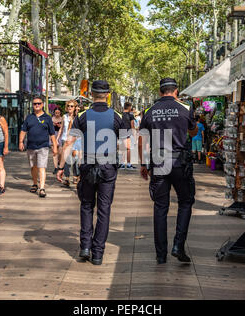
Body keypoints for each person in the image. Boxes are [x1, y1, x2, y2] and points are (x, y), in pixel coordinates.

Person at [57, 80, 125, 266]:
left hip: (87, 164)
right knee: (104, 210)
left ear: (91, 94)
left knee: (86, 205)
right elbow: (127, 144)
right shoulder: (117, 116)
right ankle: (97, 254)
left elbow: (69, 142)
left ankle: (85, 247)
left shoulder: (83, 116)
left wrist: (61, 167)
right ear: (108, 94)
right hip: (108, 165)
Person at [139, 78, 198, 265]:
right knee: (186, 202)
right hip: (180, 163)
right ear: (176, 91)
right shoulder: (186, 109)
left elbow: (141, 140)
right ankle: (178, 246)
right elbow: (193, 132)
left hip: (158, 163)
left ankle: (161, 254)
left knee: (160, 207)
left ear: (160, 92)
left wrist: (143, 164)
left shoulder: (149, 111)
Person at [19, 96, 57, 198]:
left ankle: (42, 188)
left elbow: (52, 133)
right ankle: (35, 183)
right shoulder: (29, 117)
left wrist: (55, 146)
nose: (37, 105)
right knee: (33, 167)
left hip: (43, 146)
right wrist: (20, 142)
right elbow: (23, 131)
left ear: (42, 105)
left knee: (42, 167)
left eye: (39, 103)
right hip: (31, 146)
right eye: (35, 103)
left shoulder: (47, 118)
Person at [57, 100, 76, 187]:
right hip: (64, 139)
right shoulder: (64, 116)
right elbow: (61, 128)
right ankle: (67, 178)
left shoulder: (77, 117)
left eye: (72, 106)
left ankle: (76, 176)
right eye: (68, 106)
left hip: (74, 140)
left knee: (75, 159)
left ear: (75, 107)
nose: (69, 107)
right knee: (65, 159)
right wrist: (57, 138)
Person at [119, 102, 136, 170]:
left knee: (122, 149)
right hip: (128, 132)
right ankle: (128, 164)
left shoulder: (120, 114)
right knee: (128, 149)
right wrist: (134, 133)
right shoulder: (131, 115)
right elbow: (132, 125)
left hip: (121, 132)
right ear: (129, 107)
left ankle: (122, 164)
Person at [51, 107, 63, 173]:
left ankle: (59, 162)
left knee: (60, 152)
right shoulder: (51, 119)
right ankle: (55, 167)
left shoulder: (62, 119)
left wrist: (60, 126)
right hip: (53, 135)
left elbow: (64, 127)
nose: (57, 114)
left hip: (60, 135)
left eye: (58, 113)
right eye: (56, 113)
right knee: (54, 152)